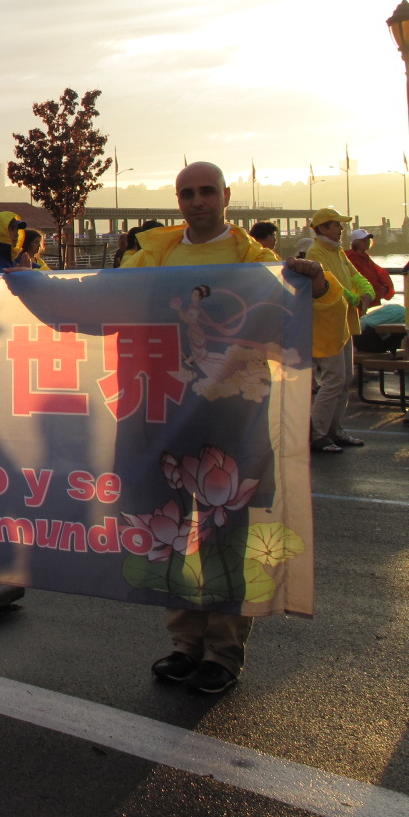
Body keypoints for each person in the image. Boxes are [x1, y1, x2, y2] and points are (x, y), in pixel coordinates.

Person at [127, 162, 341, 695]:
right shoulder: (151, 257)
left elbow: (307, 321)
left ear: (226, 196)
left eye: (207, 192)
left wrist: (318, 286)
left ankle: (223, 651)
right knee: (175, 528)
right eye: (187, 193)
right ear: (178, 201)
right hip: (168, 411)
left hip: (235, 415)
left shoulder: (257, 262)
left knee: (227, 529)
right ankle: (185, 642)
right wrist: (30, 287)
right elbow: (101, 304)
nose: (197, 201)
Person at [304, 207, 374, 453]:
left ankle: (335, 430)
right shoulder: (315, 252)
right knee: (333, 380)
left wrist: (367, 291)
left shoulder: (338, 252)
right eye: (336, 224)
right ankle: (318, 434)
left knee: (344, 380)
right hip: (327, 325)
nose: (341, 228)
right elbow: (330, 283)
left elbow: (356, 277)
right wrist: (355, 299)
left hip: (344, 322)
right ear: (323, 228)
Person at [347, 229, 395, 309]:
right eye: (364, 240)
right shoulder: (352, 258)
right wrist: (382, 290)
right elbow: (366, 279)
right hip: (362, 303)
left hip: (373, 301)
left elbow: (379, 274)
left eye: (368, 240)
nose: (367, 242)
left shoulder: (365, 257)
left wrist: (386, 289)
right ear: (356, 243)